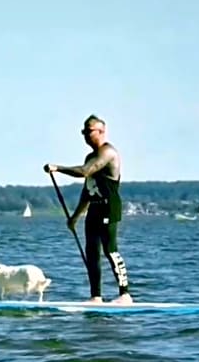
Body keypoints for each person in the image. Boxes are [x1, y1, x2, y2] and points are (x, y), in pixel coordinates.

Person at [43, 115, 132, 304]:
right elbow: (87, 190)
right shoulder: (90, 157)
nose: (85, 135)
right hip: (94, 210)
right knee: (92, 252)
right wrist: (75, 217)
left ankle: (125, 295)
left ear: (101, 131)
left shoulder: (108, 152)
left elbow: (85, 171)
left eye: (89, 131)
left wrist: (58, 168)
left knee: (110, 250)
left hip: (109, 208)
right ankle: (96, 297)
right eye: (83, 131)